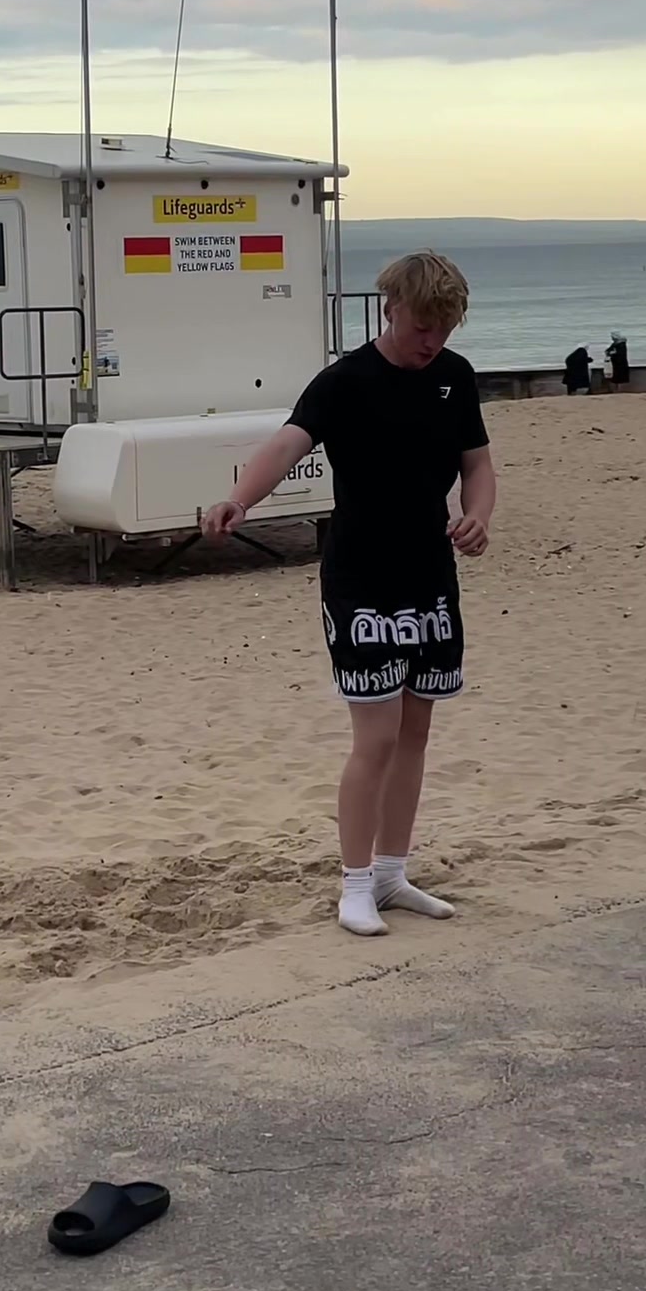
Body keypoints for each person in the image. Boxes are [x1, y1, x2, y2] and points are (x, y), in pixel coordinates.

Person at [202, 251, 496, 938]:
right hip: (361, 578)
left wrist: (478, 515)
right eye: (423, 326)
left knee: (416, 732)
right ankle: (355, 884)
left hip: (430, 575)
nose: (433, 341)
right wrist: (240, 498)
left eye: (445, 328)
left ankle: (393, 873)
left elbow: (477, 464)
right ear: (390, 309)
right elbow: (287, 444)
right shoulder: (345, 381)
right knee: (378, 736)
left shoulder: (454, 377)